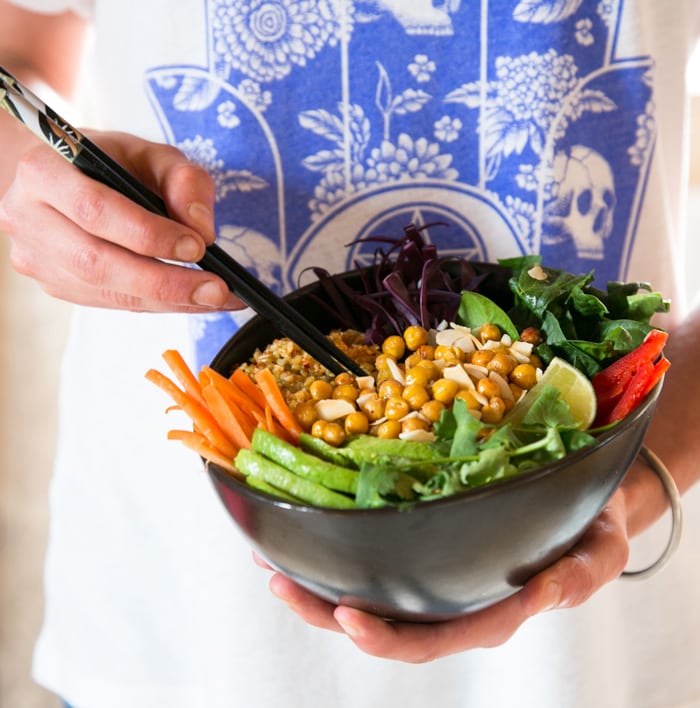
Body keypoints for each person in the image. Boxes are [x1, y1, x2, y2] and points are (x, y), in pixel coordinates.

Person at [1, 1, 699, 706]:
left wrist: (638, 480)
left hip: (593, 636)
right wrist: (28, 177)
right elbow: (19, 51)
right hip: (173, 621)